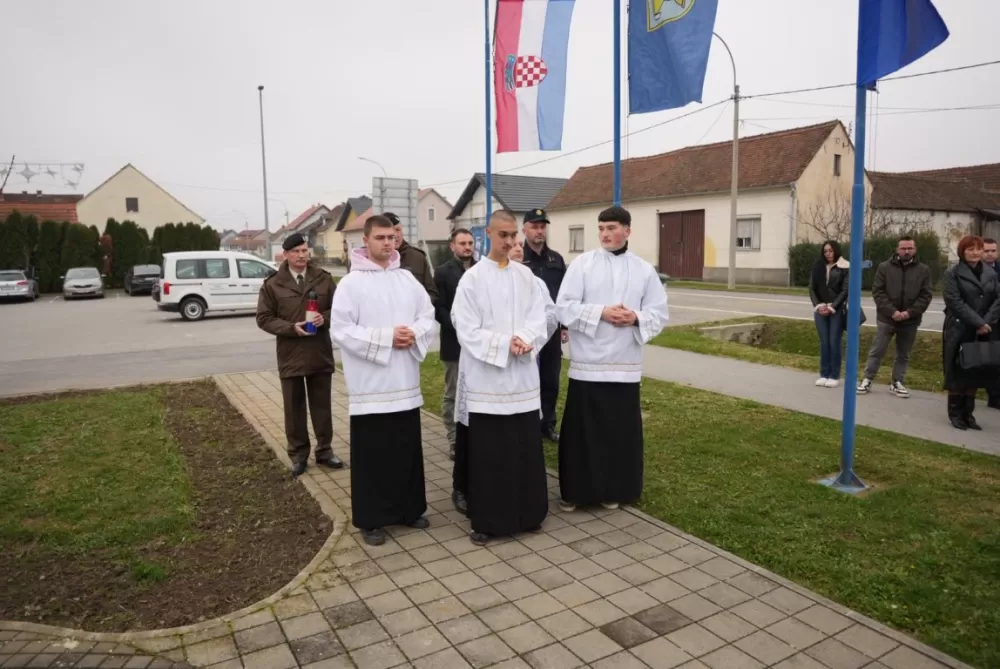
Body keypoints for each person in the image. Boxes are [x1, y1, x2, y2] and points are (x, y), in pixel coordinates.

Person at [330, 215, 438, 546]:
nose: (387, 243)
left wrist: (414, 333)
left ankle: (409, 509)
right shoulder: (351, 284)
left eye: (391, 237)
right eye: (380, 237)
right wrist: (387, 337)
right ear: (366, 240)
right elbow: (342, 330)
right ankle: (372, 518)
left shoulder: (407, 279)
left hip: (404, 381)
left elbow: (427, 315)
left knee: (405, 449)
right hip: (372, 385)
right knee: (373, 454)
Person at [555, 206, 668, 512]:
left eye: (611, 228)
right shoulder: (583, 265)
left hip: (624, 365)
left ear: (627, 231)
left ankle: (613, 489)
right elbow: (563, 308)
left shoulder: (644, 270)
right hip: (587, 364)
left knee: (617, 433)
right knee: (583, 433)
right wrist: (601, 312)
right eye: (601, 228)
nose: (605, 234)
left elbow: (659, 313)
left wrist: (634, 317)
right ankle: (576, 491)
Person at [451, 210, 550, 545]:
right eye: (503, 235)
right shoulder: (472, 279)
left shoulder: (526, 277)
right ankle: (489, 519)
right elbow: (465, 328)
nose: (510, 241)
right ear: (488, 234)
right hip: (488, 379)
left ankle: (529, 514)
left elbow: (540, 317)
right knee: (491, 453)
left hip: (521, 378)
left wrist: (527, 338)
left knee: (524, 447)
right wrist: (504, 344)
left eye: (513, 236)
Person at [256, 232, 344, 477]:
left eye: (305, 250)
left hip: (319, 352)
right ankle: (298, 455)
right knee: (293, 408)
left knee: (322, 406)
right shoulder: (273, 283)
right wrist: (290, 328)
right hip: (291, 353)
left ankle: (325, 451)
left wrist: (323, 318)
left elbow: (341, 309)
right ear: (286, 254)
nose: (301, 255)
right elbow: (263, 319)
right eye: (296, 251)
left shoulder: (324, 279)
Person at [857, 236, 933, 398]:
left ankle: (897, 382)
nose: (907, 251)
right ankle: (867, 379)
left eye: (910, 248)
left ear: (915, 249)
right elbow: (878, 291)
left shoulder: (923, 270)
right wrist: (892, 311)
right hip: (886, 319)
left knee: (903, 353)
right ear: (897, 249)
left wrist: (909, 312)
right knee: (877, 350)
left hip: (910, 320)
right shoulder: (884, 268)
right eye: (903, 248)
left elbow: (925, 296)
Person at [433, 228, 476, 515]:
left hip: (477, 347)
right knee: (453, 393)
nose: (467, 247)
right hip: (454, 344)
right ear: (452, 246)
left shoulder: (481, 270)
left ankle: (471, 434)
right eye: (462, 243)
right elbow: (438, 307)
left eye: (471, 243)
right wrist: (458, 326)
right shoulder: (443, 272)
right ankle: (452, 438)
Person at [942, 235, 1000, 431]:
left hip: (984, 329)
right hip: (960, 328)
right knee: (959, 371)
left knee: (976, 370)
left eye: (978, 249)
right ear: (962, 252)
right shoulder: (953, 273)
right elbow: (954, 302)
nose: (975, 253)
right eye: (970, 249)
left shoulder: (990, 274)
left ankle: (969, 413)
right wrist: (977, 322)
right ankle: (955, 413)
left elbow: (997, 300)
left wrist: (986, 322)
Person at [520, 209, 568, 442]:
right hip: (526, 330)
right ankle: (528, 422)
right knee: (528, 376)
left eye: (542, 226)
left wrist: (565, 325)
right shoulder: (519, 257)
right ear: (525, 230)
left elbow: (564, 296)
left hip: (552, 330)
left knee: (550, 378)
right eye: (534, 226)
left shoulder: (556, 259)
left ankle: (547, 423)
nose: (539, 231)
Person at [808, 240, 849, 388]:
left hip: (836, 310)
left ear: (836, 250)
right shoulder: (818, 266)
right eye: (825, 251)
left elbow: (845, 290)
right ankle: (824, 374)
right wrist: (818, 306)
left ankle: (834, 375)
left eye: (830, 251)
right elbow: (812, 288)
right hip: (820, 309)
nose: (828, 254)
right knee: (824, 342)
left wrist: (833, 306)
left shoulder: (844, 266)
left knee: (834, 342)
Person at [510, 242, 560, 341]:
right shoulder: (491, 280)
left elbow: (551, 315)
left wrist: (530, 336)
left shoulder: (536, 282)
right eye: (513, 245)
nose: (519, 249)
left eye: (520, 245)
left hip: (529, 345)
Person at [386, 211, 439, 303]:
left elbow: (432, 293)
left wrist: (417, 307)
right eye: (390, 231)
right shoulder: (369, 259)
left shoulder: (418, 257)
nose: (395, 235)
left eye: (398, 230)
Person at [983, 238, 1000, 409]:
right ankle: (993, 395)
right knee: (988, 359)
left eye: (993, 251)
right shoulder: (974, 271)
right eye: (986, 251)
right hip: (983, 321)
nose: (990, 254)